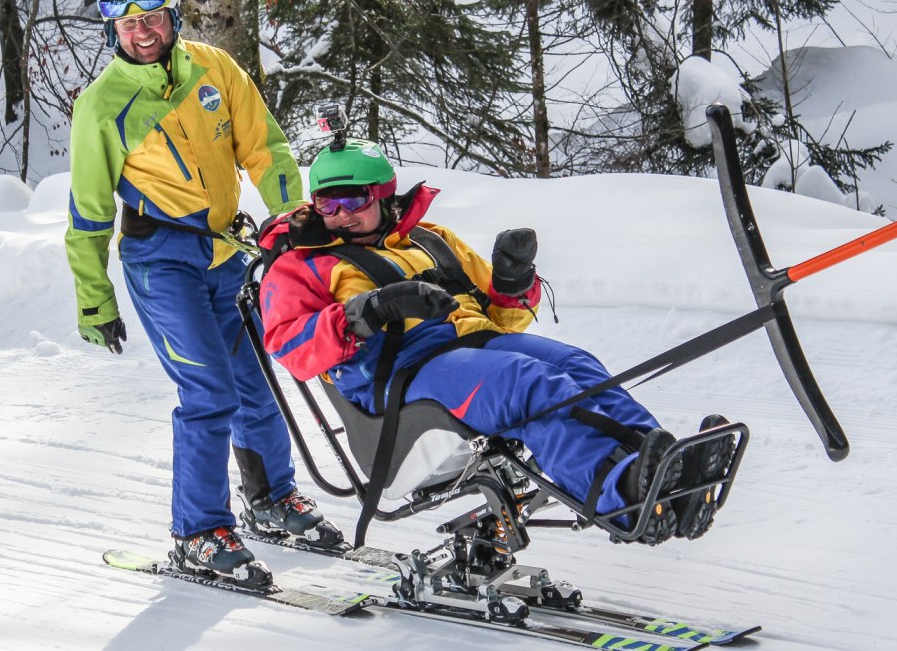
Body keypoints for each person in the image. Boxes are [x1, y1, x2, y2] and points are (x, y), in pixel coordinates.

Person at [257, 139, 733, 545]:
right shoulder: (301, 264)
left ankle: (661, 469)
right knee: (523, 384)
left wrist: (512, 279)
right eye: (327, 204)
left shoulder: (429, 238)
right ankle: (622, 495)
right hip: (399, 377)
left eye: (353, 202)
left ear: (383, 196)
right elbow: (289, 346)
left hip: (475, 345)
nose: (340, 216)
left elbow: (502, 317)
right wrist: (374, 310)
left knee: (574, 364)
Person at [65, 0, 341, 584]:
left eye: (153, 16)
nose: (142, 31)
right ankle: (199, 531)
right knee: (208, 391)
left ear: (172, 13)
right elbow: (87, 214)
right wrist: (95, 300)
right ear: (112, 27)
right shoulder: (101, 107)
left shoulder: (216, 69)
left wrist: (293, 215)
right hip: (161, 261)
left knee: (255, 384)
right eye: (127, 22)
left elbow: (264, 146)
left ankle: (271, 499)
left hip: (224, 255)